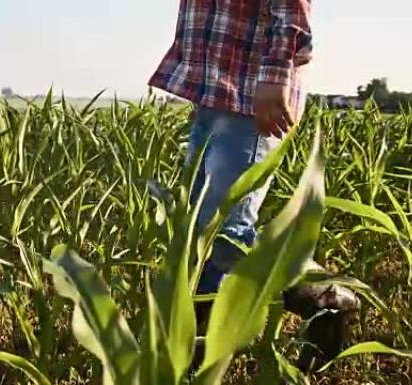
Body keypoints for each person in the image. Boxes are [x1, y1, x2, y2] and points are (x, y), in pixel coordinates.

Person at [149, 0, 360, 372]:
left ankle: (324, 300)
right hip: (214, 93)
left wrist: (277, 72)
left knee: (223, 235)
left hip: (250, 98)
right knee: (199, 232)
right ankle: (195, 349)